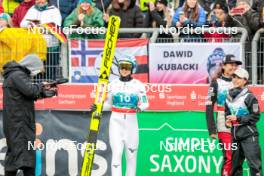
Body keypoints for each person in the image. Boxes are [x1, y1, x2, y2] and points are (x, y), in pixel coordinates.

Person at [92, 55, 149, 176]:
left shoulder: (138, 85)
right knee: (117, 155)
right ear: (118, 68)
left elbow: (145, 103)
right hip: (116, 122)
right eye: (122, 67)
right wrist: (98, 107)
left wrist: (140, 108)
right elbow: (108, 105)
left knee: (131, 156)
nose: (124, 70)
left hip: (131, 123)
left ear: (132, 69)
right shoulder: (112, 84)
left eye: (127, 67)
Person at [2, 54, 57, 176]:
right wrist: (42, 85)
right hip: (19, 124)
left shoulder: (14, 75)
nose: (36, 73)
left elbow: (27, 94)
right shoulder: (18, 75)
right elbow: (30, 91)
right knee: (26, 156)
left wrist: (44, 92)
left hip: (16, 122)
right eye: (36, 69)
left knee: (15, 156)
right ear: (31, 66)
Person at [206, 54, 242, 176]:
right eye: (231, 64)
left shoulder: (239, 81)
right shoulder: (216, 83)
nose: (234, 67)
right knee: (229, 157)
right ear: (224, 66)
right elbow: (209, 106)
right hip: (223, 122)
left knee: (238, 158)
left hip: (238, 122)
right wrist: (212, 129)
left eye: (235, 65)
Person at [225, 68, 262, 176]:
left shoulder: (250, 97)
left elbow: (255, 116)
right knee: (235, 168)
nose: (235, 80)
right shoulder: (228, 97)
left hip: (249, 136)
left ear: (245, 81)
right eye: (234, 77)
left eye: (239, 78)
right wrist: (228, 122)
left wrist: (238, 119)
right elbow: (227, 113)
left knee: (255, 167)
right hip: (235, 136)